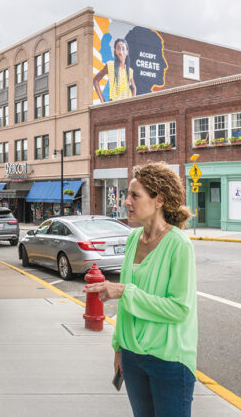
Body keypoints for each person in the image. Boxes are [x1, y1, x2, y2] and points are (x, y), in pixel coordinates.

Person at [84, 162, 197, 417]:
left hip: (169, 361)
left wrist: (124, 291)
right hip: (132, 357)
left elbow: (180, 309)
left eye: (135, 195)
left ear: (159, 200)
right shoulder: (133, 238)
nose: (126, 201)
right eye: (128, 195)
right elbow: (125, 308)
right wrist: (118, 347)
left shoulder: (179, 245)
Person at [93, 37, 137, 102]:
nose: (121, 52)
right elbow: (95, 80)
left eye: (123, 49)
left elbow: (134, 88)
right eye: (118, 48)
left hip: (127, 105)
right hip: (114, 104)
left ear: (127, 52)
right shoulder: (110, 65)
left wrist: (133, 101)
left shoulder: (130, 70)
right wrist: (103, 101)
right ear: (115, 51)